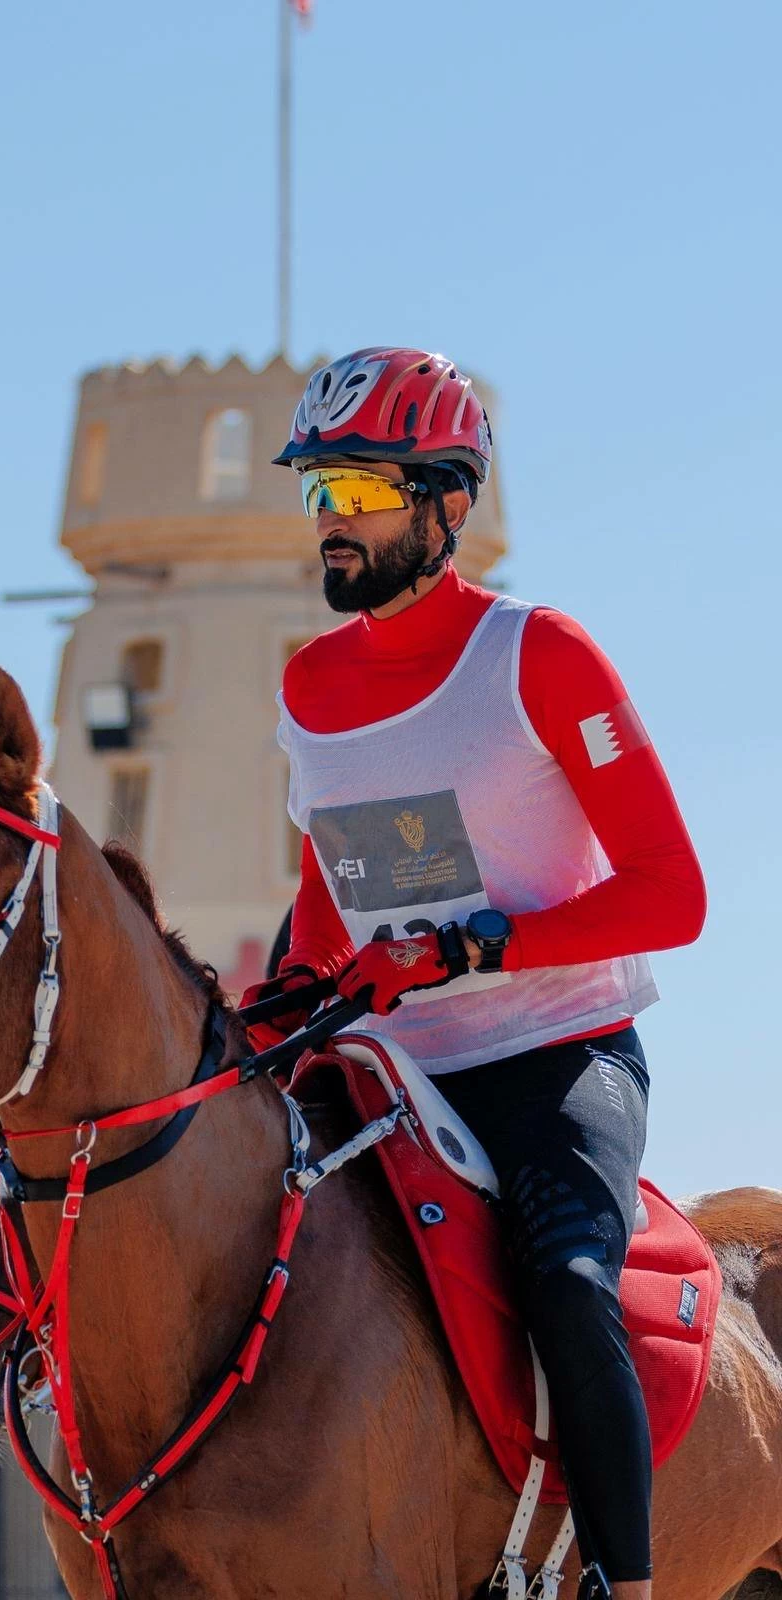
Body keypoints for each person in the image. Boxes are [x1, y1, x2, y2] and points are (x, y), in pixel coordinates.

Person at [243, 347, 706, 1600]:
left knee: (561, 1281)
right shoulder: (307, 685)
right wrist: (270, 1009)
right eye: (316, 498)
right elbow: (323, 907)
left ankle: (628, 1581)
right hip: (391, 1070)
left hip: (557, 1055)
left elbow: (676, 896)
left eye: (356, 496)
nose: (328, 529)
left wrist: (473, 946)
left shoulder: (540, 655)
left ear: (449, 502)